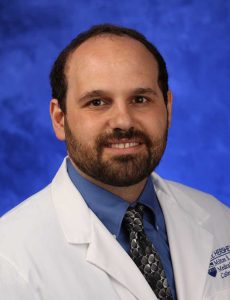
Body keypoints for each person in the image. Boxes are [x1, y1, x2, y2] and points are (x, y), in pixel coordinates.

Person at [0, 24, 229, 300]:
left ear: (167, 108)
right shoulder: (10, 259)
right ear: (60, 119)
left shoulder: (218, 219)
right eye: (97, 102)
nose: (123, 121)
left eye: (140, 99)